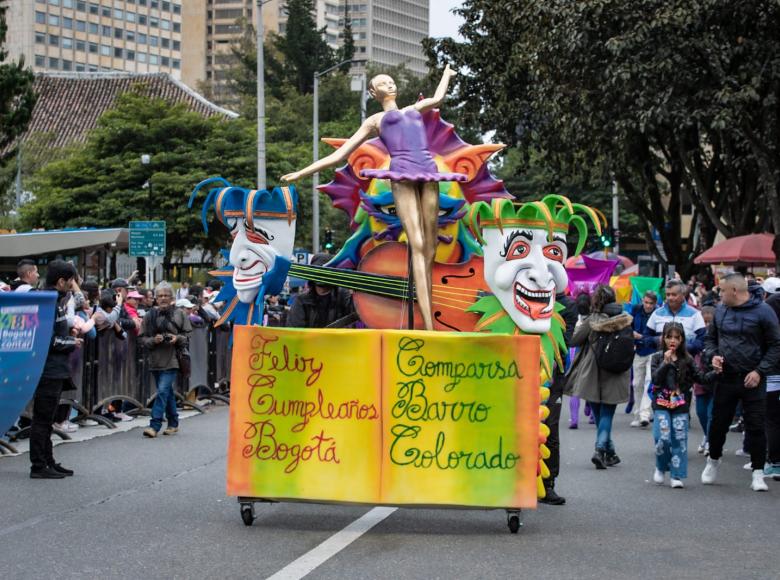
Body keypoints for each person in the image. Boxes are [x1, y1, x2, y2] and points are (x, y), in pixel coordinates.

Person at [281, 65, 462, 331]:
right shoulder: (375, 121)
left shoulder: (413, 110)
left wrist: (447, 74)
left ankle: (426, 310)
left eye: (391, 81)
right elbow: (340, 155)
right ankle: (429, 325)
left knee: (430, 246)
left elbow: (437, 99)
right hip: (401, 175)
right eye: (383, 83)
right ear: (373, 92)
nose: (390, 85)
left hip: (428, 172)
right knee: (418, 242)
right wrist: (302, 172)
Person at [702, 273, 780, 492]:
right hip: (725, 377)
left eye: (721, 290)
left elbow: (776, 345)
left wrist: (760, 371)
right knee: (718, 424)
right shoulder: (720, 311)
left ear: (734, 291)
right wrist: (713, 356)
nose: (719, 293)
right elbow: (710, 340)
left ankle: (757, 472)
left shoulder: (764, 311)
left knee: (756, 426)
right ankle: (713, 460)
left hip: (752, 379)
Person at [565, 285, 633, 469]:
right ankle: (608, 451)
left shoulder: (592, 320)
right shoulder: (625, 319)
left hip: (592, 372)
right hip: (616, 373)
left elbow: (574, 340)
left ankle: (600, 448)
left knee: (599, 413)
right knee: (607, 415)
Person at [29, 260, 82, 479]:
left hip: (55, 369)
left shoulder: (56, 301)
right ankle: (38, 466)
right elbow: (47, 341)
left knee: (47, 420)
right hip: (48, 370)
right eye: (70, 282)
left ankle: (48, 461)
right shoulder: (48, 303)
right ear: (61, 281)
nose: (72, 287)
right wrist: (72, 343)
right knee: (42, 420)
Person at [650, 322, 714, 488]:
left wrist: (716, 372)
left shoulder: (688, 359)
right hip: (661, 404)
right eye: (669, 337)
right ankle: (661, 466)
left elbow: (700, 378)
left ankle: (676, 475)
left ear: (682, 340)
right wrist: (666, 362)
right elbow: (656, 379)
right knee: (662, 437)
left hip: (680, 406)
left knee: (679, 439)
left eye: (676, 337)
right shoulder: (657, 357)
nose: (672, 340)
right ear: (663, 338)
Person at [539, 291, 578, 505]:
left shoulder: (567, 305)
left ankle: (548, 483)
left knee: (549, 429)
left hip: (553, 376)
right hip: (521, 370)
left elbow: (567, 340)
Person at [140, 282, 192, 438]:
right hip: (155, 360)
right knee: (167, 392)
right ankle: (173, 422)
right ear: (155, 298)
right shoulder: (149, 316)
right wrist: (153, 341)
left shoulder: (180, 314)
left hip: (173, 359)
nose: (163, 298)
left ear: (171, 297)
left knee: (162, 391)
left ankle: (154, 425)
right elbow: (141, 339)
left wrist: (177, 338)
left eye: (166, 295)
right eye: (160, 296)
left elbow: (188, 336)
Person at [287, 254, 355, 329]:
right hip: (310, 340)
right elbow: (295, 330)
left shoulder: (343, 296)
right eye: (318, 272)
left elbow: (356, 317)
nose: (321, 276)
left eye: (325, 272)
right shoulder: (302, 301)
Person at [647, 280, 706, 355]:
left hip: (686, 362)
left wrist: (686, 348)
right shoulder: (656, 313)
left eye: (674, 295)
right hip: (660, 361)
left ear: (683, 295)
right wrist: (657, 340)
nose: (670, 298)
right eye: (668, 295)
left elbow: (703, 339)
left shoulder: (695, 314)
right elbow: (646, 337)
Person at [628, 290, 658, 428]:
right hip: (638, 350)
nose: (648, 305)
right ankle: (638, 413)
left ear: (655, 303)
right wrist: (631, 333)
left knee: (648, 381)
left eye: (651, 303)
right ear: (642, 301)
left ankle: (644, 414)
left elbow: (660, 335)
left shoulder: (658, 313)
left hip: (653, 350)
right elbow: (628, 325)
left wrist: (642, 337)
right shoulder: (635, 310)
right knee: (636, 383)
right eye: (646, 302)